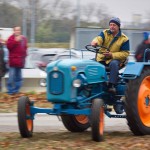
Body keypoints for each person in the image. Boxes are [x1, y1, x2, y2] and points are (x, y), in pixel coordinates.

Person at [91, 17, 130, 93]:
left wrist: (112, 55)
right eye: (110, 25)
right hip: (102, 58)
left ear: (118, 26)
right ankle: (92, 84)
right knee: (90, 63)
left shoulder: (124, 39)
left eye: (114, 25)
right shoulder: (104, 33)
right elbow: (99, 39)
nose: (112, 26)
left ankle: (111, 85)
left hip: (116, 60)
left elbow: (125, 53)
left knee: (113, 64)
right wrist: (95, 42)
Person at [6, 26, 28, 95]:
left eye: (18, 30)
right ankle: (10, 91)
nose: (17, 31)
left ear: (20, 31)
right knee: (11, 77)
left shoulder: (24, 38)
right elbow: (9, 47)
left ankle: (16, 90)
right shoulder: (11, 38)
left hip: (20, 61)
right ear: (14, 31)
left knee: (19, 77)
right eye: (16, 30)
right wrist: (16, 41)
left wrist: (25, 56)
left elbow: (25, 48)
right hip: (13, 61)